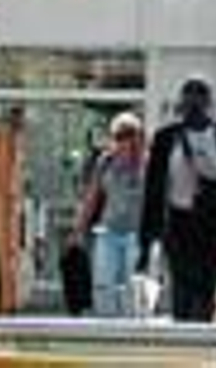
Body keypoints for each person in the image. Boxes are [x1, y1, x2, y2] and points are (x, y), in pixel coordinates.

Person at [138, 76, 216, 323]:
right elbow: (153, 189)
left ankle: (200, 336)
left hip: (212, 225)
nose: (193, 109)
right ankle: (185, 341)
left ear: (207, 107)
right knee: (182, 289)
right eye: (189, 103)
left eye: (198, 103)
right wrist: (148, 235)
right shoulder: (166, 139)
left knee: (205, 288)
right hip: (178, 223)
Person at [73, 112, 146, 317]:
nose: (123, 141)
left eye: (128, 135)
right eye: (118, 136)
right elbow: (93, 196)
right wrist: (79, 228)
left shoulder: (146, 163)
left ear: (137, 137)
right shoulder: (106, 161)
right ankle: (106, 324)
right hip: (109, 231)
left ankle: (133, 326)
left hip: (136, 232)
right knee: (104, 283)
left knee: (133, 284)